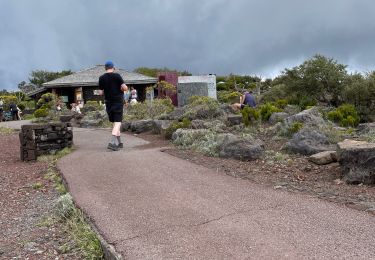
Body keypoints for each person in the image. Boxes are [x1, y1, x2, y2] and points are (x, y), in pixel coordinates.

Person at [98, 61, 128, 151]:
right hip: (118, 102)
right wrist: (121, 88)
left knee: (115, 123)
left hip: (108, 103)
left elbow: (100, 92)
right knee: (118, 122)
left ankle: (119, 143)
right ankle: (112, 142)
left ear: (105, 68)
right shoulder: (117, 76)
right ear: (113, 67)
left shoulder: (101, 78)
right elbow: (125, 88)